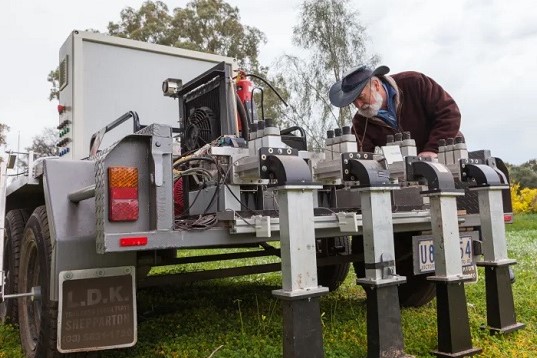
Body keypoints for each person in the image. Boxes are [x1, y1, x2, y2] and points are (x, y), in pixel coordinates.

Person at [328, 65, 462, 158]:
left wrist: (432, 149)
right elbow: (363, 157)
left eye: (361, 97)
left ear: (376, 85)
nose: (358, 105)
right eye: (353, 102)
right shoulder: (360, 123)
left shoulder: (414, 82)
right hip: (408, 177)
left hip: (449, 155)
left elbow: (449, 113)